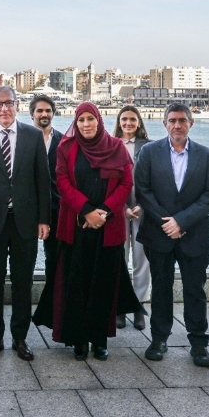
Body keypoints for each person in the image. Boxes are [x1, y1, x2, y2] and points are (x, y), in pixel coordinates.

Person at [32, 102, 145, 360]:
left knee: (103, 285)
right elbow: (61, 181)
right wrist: (86, 211)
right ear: (76, 122)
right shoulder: (67, 147)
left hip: (108, 227)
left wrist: (103, 212)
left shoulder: (116, 147)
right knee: (77, 284)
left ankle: (99, 339)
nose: (86, 124)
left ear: (99, 120)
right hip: (76, 226)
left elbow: (126, 182)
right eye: (81, 120)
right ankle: (78, 339)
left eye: (90, 119)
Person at [0, 86, 50, 362]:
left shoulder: (33, 135)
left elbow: (42, 181)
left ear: (17, 105)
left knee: (22, 282)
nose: (4, 109)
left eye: (8, 103)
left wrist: (44, 219)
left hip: (25, 222)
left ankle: (20, 337)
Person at [134, 103, 209, 367]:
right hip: (158, 233)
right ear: (164, 124)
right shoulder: (149, 152)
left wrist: (181, 222)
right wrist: (167, 222)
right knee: (161, 288)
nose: (177, 125)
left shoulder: (206, 156)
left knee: (195, 289)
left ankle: (198, 343)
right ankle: (159, 339)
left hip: (194, 235)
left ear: (191, 124)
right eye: (172, 120)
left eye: (182, 120)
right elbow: (143, 191)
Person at [113, 106, 151, 330]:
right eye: (124, 119)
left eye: (132, 119)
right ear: (119, 121)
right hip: (118, 210)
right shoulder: (110, 145)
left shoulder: (149, 146)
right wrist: (122, 207)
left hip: (142, 210)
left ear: (139, 122)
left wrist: (142, 206)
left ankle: (139, 306)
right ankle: (119, 306)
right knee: (119, 258)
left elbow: (154, 178)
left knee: (142, 259)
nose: (128, 123)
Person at [30, 95, 63, 316]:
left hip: (56, 209)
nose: (44, 114)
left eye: (48, 110)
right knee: (26, 260)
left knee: (54, 259)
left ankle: (53, 305)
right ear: (32, 113)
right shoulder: (22, 138)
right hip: (27, 209)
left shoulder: (64, 141)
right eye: (40, 110)